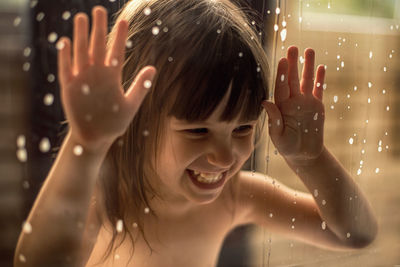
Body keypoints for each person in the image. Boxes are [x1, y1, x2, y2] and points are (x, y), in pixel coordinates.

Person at [14, 0, 378, 266]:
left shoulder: (236, 196)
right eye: (198, 129)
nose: (225, 156)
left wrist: (310, 159)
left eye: (243, 128)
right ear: (135, 120)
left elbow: (355, 233)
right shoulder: (108, 198)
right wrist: (86, 144)